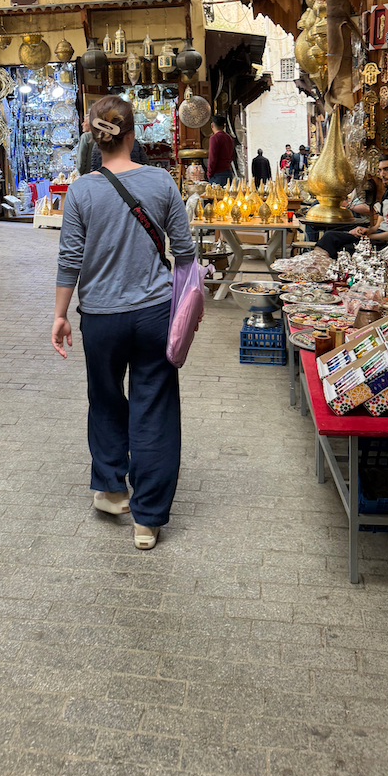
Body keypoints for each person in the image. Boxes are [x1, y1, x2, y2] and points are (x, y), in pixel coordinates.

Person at [51, 95, 196, 552]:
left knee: (106, 399)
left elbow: (69, 260)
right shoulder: (160, 182)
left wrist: (59, 315)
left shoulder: (81, 191)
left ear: (94, 139)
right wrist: (189, 304)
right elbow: (185, 253)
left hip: (101, 318)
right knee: (154, 408)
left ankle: (112, 490)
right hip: (155, 314)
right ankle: (147, 520)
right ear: (132, 135)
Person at [316, 154, 388, 261]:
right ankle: (314, 265)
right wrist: (366, 231)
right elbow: (378, 225)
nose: (382, 174)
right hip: (377, 237)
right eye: (380, 170)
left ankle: (321, 267)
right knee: (329, 236)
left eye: (387, 169)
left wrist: (368, 238)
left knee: (345, 249)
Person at [206, 114, 235, 186]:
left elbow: (212, 157)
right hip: (228, 171)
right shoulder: (229, 138)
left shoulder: (214, 138)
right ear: (224, 126)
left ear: (212, 125)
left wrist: (209, 173)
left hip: (217, 174)